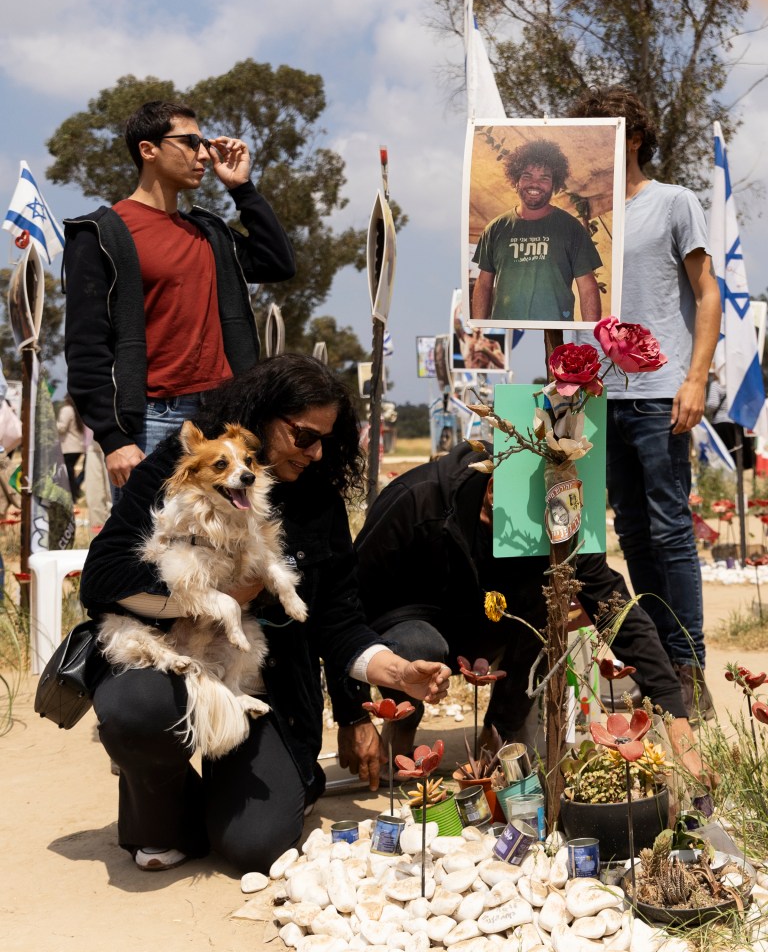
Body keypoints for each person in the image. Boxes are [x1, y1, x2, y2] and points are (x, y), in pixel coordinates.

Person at [78, 353, 451, 873]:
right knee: (135, 707)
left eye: (328, 439)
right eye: (303, 436)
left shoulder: (318, 504)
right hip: (168, 656)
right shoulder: (185, 467)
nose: (317, 452)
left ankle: (259, 786)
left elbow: (338, 619)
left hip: (258, 683)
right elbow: (102, 580)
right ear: (261, 417)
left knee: (256, 847)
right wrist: (219, 594)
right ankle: (167, 811)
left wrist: (397, 672)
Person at [352, 441, 708, 783]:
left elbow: (616, 611)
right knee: (418, 645)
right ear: (492, 492)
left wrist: (674, 717)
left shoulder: (560, 515)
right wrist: (353, 716)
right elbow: (348, 605)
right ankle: (402, 720)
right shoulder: (418, 499)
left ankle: (500, 729)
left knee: (548, 604)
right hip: (417, 625)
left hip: (498, 622)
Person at [568, 86, 722, 720]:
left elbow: (707, 293)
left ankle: (690, 668)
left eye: (604, 131)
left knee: (669, 530)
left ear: (632, 137)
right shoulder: (578, 216)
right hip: (599, 396)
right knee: (629, 533)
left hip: (660, 393)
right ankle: (657, 665)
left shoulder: (674, 203)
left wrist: (695, 379)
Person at [63, 100, 296, 499]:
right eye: (190, 142)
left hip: (222, 417)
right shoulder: (100, 235)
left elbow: (277, 263)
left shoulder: (209, 233)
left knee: (225, 550)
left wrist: (242, 188)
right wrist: (114, 438)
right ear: (148, 150)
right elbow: (86, 347)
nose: (204, 153)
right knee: (150, 551)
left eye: (204, 143)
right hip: (150, 420)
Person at [472, 139, 603, 323]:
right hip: (505, 332)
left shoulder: (571, 228)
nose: (535, 184)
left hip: (556, 335)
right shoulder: (495, 228)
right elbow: (484, 283)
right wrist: (479, 329)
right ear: (516, 181)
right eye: (527, 176)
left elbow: (587, 287)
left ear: (555, 184)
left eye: (544, 178)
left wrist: (592, 334)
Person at [56, 394, 85, 499]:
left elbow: (62, 427)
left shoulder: (67, 409)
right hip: (77, 447)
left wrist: (50, 424)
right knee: (70, 472)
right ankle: (75, 493)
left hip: (68, 447)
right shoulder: (76, 410)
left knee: (67, 473)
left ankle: (72, 495)